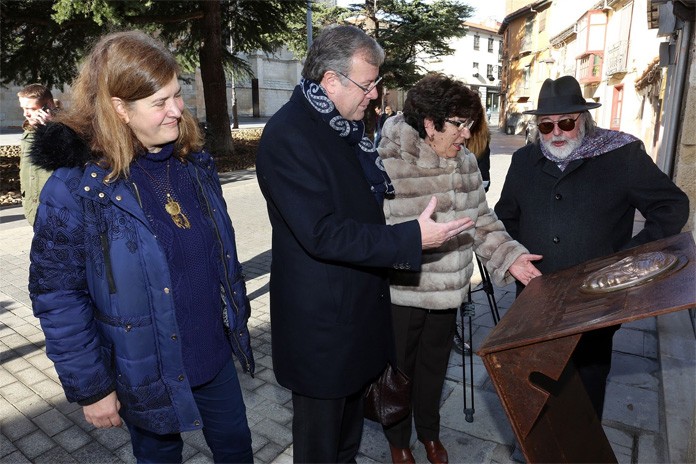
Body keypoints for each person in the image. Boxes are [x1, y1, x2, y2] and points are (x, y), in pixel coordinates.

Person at [28, 31, 254, 463]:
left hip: (213, 354)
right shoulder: (77, 187)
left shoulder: (194, 162)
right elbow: (57, 295)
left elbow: (218, 258)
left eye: (177, 94)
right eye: (160, 103)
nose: (177, 110)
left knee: (237, 448)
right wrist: (93, 387)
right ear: (119, 108)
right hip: (144, 372)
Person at [255, 25, 472, 463]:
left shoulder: (341, 126)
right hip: (323, 329)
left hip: (356, 319)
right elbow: (322, 232)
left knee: (348, 441)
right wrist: (411, 237)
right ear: (331, 81)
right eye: (367, 84)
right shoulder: (289, 135)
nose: (374, 95)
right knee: (321, 447)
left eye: (376, 84)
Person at [495, 75, 689, 421]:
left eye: (566, 123)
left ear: (584, 120)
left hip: (596, 299)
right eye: (546, 125)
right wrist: (513, 255)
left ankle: (582, 448)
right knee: (535, 378)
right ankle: (540, 446)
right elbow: (504, 216)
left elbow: (670, 206)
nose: (556, 132)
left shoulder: (621, 155)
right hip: (536, 295)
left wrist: (627, 259)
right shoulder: (524, 161)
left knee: (587, 381)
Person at [377, 74, 542, 464]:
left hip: (449, 287)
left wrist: (510, 256)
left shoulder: (465, 161)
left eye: (470, 124)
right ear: (431, 123)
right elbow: (371, 232)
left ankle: (429, 433)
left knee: (434, 366)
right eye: (459, 124)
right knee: (399, 369)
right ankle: (398, 439)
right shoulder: (387, 161)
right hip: (402, 288)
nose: (467, 135)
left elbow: (481, 221)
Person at [17, 84, 56, 225]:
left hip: (56, 210)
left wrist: (51, 129)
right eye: (23, 108)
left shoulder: (65, 129)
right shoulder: (28, 131)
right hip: (33, 209)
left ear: (49, 105)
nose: (25, 114)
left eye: (31, 109)